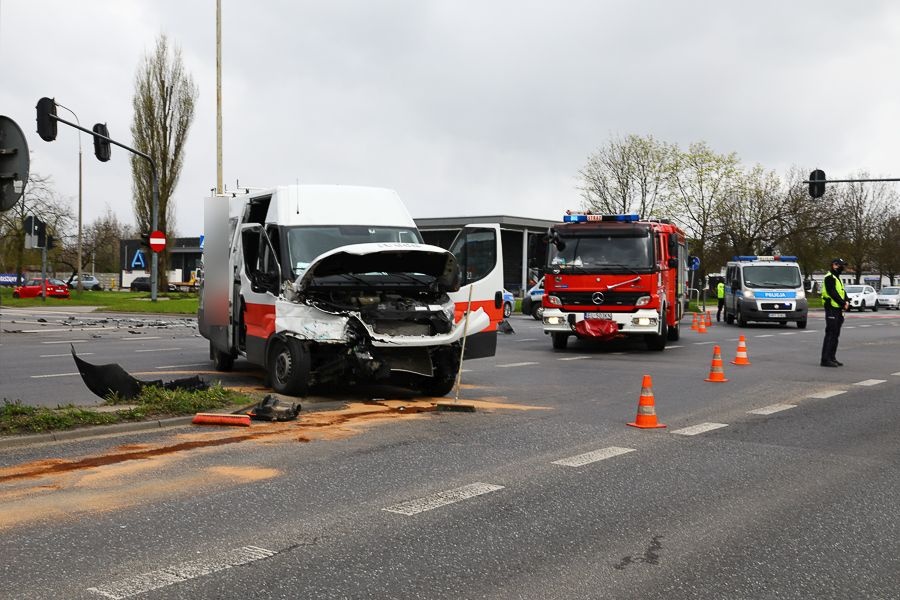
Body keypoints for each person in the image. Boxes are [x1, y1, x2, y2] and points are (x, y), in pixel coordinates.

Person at [820, 258, 849, 367]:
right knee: (831, 334)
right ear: (834, 265)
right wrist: (843, 303)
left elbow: (842, 291)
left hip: (838, 309)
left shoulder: (838, 278)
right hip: (831, 308)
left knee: (836, 334)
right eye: (841, 265)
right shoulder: (829, 277)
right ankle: (825, 359)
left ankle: (832, 357)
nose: (843, 268)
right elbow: (832, 293)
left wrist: (847, 300)